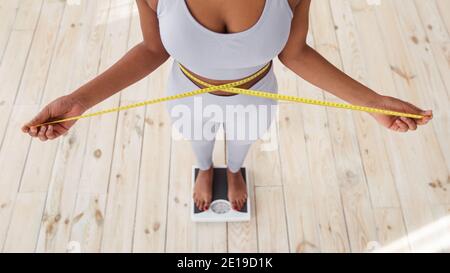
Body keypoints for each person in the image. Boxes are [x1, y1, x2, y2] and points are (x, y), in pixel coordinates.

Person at [21, 0, 433, 212]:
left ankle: (233, 172)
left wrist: (372, 102)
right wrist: (78, 101)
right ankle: (204, 169)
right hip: (188, 91)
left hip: (256, 93)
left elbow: (296, 53)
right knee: (198, 143)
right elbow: (152, 47)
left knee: (241, 146)